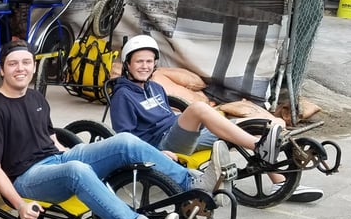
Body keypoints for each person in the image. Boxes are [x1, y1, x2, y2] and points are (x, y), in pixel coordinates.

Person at [0, 39, 231, 219]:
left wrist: (69, 151)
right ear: (2, 70)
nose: (21, 69)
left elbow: (50, 136)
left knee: (125, 142)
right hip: (27, 178)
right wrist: (19, 205)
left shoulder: (36, 98)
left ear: (33, 65)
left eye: (26, 63)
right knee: (77, 169)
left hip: (58, 159)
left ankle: (193, 184)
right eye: (13, 64)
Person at [109, 35, 323, 203]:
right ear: (127, 64)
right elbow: (125, 138)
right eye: (139, 62)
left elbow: (167, 115)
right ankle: (259, 147)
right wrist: (156, 153)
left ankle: (279, 181)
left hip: (179, 134)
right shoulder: (122, 96)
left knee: (248, 128)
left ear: (155, 63)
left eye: (149, 61)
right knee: (199, 108)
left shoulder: (155, 87)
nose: (144, 66)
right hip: (160, 146)